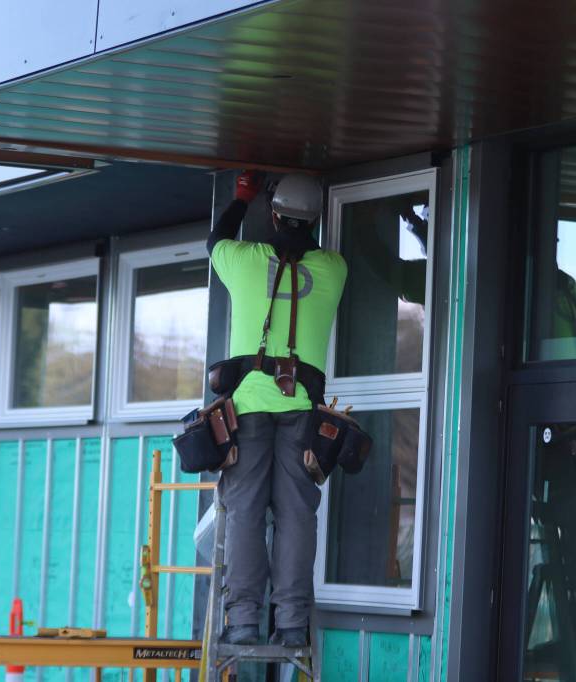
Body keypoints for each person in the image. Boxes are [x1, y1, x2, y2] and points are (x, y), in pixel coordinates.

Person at [208, 170, 347, 647]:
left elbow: (216, 239)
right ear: (317, 220)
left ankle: (244, 621)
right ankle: (290, 623)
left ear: (272, 214)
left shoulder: (245, 261)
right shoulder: (334, 270)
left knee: (245, 511)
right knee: (296, 516)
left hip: (246, 410)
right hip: (301, 410)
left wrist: (242, 197)